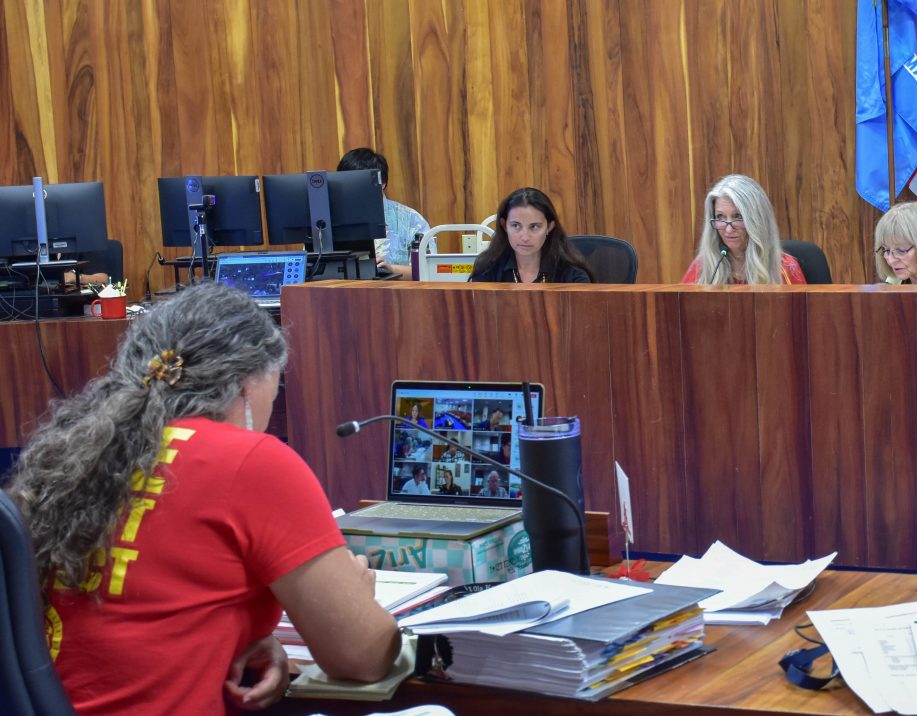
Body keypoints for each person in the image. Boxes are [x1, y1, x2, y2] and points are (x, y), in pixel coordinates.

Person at [3, 282, 399, 714]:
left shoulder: (75, 454)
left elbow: (139, 619)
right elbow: (363, 658)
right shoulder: (251, 462)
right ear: (248, 385)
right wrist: (358, 598)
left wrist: (245, 637)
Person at [681, 174, 807, 285]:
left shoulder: (784, 268)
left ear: (757, 221)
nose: (728, 230)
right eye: (720, 217)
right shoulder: (703, 267)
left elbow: (800, 310)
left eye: (738, 217)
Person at [337, 147, 429, 280]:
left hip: (397, 296)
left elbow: (429, 271)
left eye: (361, 182)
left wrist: (392, 270)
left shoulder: (411, 220)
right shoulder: (329, 222)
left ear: (383, 183)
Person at [469, 187, 593, 283]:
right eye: (516, 226)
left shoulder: (572, 275)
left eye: (534, 227)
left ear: (549, 227)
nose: (525, 237)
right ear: (504, 225)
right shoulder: (487, 269)